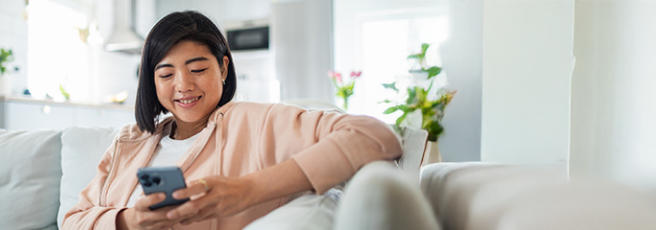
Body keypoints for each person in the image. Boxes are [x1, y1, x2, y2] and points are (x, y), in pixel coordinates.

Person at [61, 11, 402, 230]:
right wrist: (129, 220)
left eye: (198, 69)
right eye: (166, 74)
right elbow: (72, 220)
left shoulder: (259, 122)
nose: (183, 85)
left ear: (223, 67)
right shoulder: (129, 142)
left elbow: (375, 136)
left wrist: (249, 190)